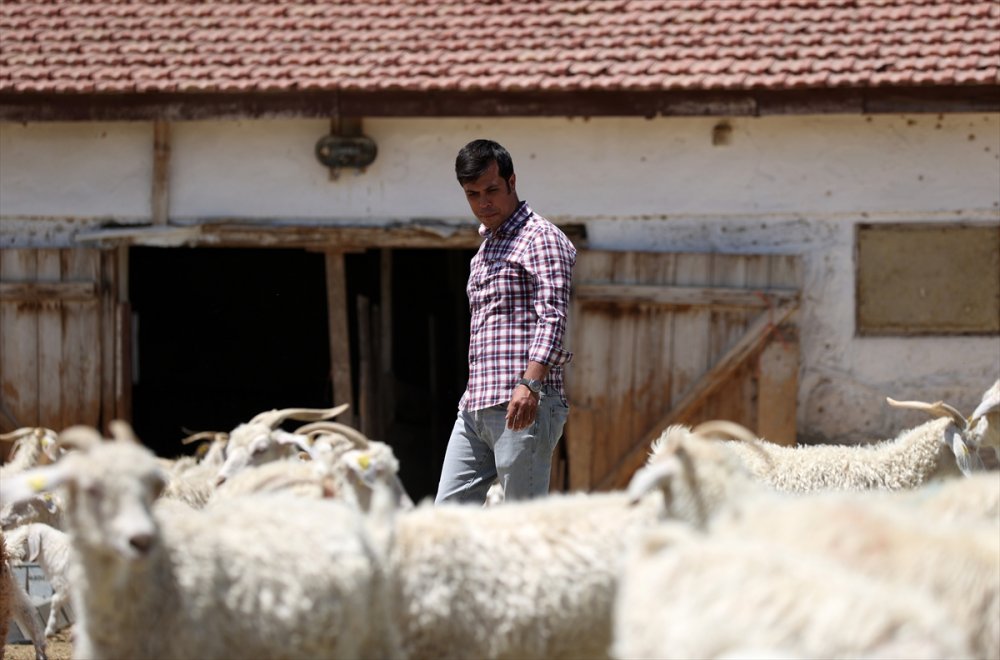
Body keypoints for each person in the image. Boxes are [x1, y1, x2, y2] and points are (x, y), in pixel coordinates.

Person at [435, 139, 577, 504]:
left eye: (492, 190)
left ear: (512, 182)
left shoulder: (541, 238)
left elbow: (553, 316)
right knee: (446, 514)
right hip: (476, 406)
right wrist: (469, 400)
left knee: (520, 520)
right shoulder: (485, 250)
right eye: (473, 194)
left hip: (524, 401)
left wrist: (530, 384)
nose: (483, 203)